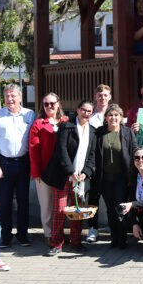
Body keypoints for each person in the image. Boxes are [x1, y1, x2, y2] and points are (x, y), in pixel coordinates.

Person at [46, 99, 98, 255]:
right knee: (59, 211)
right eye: (83, 110)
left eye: (89, 111)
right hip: (64, 176)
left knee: (77, 212)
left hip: (80, 180)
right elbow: (61, 150)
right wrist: (70, 171)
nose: (85, 113)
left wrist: (85, 173)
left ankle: (76, 242)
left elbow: (92, 156)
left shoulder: (93, 131)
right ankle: (56, 243)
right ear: (77, 109)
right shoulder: (66, 126)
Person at [0, 84, 35, 248]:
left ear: (20, 97)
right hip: (4, 163)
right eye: (7, 96)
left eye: (13, 95)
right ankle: (5, 236)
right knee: (5, 202)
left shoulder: (29, 114)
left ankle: (23, 235)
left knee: (23, 201)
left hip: (23, 162)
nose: (10, 99)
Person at [94, 103, 138, 248]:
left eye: (116, 115)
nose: (113, 118)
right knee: (109, 208)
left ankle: (122, 238)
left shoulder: (127, 132)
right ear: (106, 117)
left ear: (121, 117)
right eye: (110, 115)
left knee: (120, 207)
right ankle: (114, 237)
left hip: (121, 177)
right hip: (105, 178)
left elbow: (134, 150)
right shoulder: (99, 133)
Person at [29, 92, 68, 247]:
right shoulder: (38, 124)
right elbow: (34, 149)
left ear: (58, 103)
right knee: (46, 205)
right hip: (44, 171)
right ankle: (48, 234)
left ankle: (60, 233)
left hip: (63, 171)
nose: (50, 106)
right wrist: (36, 172)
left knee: (61, 206)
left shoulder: (66, 121)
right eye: (46, 104)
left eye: (52, 103)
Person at [86, 84, 112, 243]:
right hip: (95, 165)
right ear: (95, 97)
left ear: (110, 97)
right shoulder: (90, 118)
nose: (102, 98)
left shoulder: (115, 115)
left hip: (111, 165)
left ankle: (113, 226)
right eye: (100, 95)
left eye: (105, 95)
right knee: (93, 198)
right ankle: (92, 228)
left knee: (112, 199)